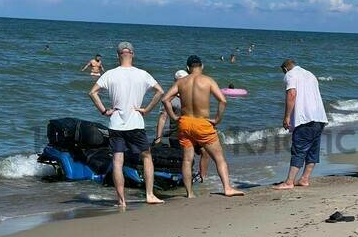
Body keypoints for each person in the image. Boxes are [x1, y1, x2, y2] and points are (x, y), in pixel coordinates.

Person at [89, 41, 164, 207]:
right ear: (133, 54)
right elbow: (160, 91)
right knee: (146, 156)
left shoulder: (109, 74)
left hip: (116, 123)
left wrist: (104, 111)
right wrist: (147, 109)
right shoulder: (142, 74)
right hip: (136, 123)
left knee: (117, 160)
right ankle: (150, 195)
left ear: (117, 56)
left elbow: (92, 92)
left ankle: (121, 200)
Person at [162, 55, 244, 198]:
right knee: (219, 158)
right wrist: (217, 119)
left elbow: (165, 99)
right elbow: (223, 101)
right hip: (202, 123)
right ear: (202, 66)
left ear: (188, 68)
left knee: (187, 160)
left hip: (185, 123)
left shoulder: (181, 82)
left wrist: (174, 117)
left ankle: (190, 193)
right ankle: (227, 188)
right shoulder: (208, 80)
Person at [273, 59, 328, 190]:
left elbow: (292, 94)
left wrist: (287, 116)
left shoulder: (290, 74)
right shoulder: (310, 74)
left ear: (285, 69)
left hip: (305, 118)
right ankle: (304, 179)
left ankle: (289, 182)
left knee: (299, 149)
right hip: (319, 117)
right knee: (313, 150)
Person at [156, 69, 210, 181]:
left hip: (194, 132)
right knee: (184, 158)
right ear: (175, 82)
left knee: (205, 152)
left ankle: (202, 178)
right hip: (176, 134)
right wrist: (158, 137)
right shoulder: (170, 98)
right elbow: (162, 117)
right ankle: (183, 179)